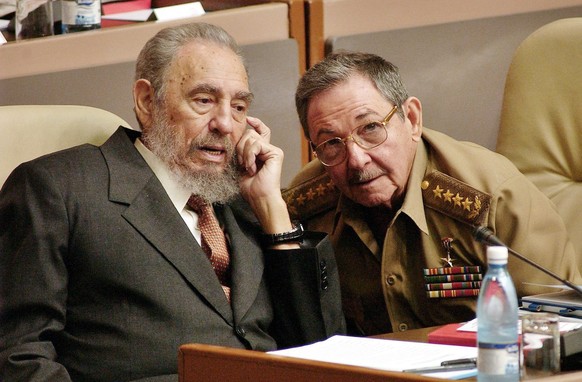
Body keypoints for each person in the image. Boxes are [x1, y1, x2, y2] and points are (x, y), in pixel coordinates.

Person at [0, 23, 345, 382]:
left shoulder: (246, 201)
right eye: (204, 101)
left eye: (240, 106)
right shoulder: (60, 189)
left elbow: (322, 351)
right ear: (147, 102)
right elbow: (19, 355)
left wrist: (273, 210)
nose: (226, 124)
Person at [284, 51, 582, 337]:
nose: (356, 160)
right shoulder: (306, 208)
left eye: (370, 128)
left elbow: (559, 322)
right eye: (332, 143)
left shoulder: (493, 196)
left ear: (412, 119)